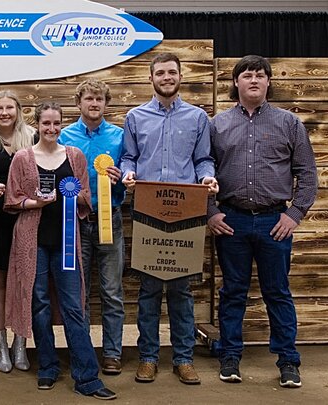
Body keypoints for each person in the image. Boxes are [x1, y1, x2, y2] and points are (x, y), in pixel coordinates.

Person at [208, 55, 317, 388]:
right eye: (246, 75)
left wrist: (294, 214)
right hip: (232, 222)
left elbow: (308, 174)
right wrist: (211, 212)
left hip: (274, 222)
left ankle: (288, 361)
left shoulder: (289, 123)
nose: (253, 80)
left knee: (278, 292)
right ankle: (230, 357)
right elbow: (202, 170)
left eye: (260, 75)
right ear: (236, 83)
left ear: (269, 82)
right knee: (232, 293)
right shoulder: (217, 125)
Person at [4, 101, 116, 400]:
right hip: (32, 242)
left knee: (73, 306)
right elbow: (12, 201)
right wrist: (35, 203)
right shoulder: (22, 158)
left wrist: (73, 195)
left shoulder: (75, 156)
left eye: (56, 124)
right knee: (39, 304)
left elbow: (87, 198)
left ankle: (87, 377)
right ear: (36, 125)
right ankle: (48, 367)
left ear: (61, 125)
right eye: (46, 124)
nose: (51, 129)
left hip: (67, 244)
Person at [120, 53, 218, 385]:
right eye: (160, 72)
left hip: (186, 212)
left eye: (172, 72)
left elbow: (204, 159)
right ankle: (148, 357)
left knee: (181, 290)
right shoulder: (135, 117)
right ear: (151, 78)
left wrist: (207, 178)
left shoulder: (197, 117)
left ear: (180, 76)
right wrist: (129, 173)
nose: (166, 77)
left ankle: (183, 358)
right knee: (148, 290)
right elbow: (129, 158)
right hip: (147, 210)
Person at [59, 79, 126, 375]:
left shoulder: (120, 136)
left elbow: (130, 170)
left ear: (106, 103)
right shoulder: (64, 135)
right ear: (79, 103)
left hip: (110, 217)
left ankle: (112, 353)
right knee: (79, 293)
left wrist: (122, 177)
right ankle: (83, 353)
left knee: (112, 290)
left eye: (99, 99)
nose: (94, 103)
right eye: (89, 98)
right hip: (75, 220)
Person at [0, 90, 35, 373]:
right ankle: (0, 343)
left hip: (26, 218)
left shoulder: (33, 137)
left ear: (18, 110)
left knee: (24, 281)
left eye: (10, 107)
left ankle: (21, 343)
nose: (4, 113)